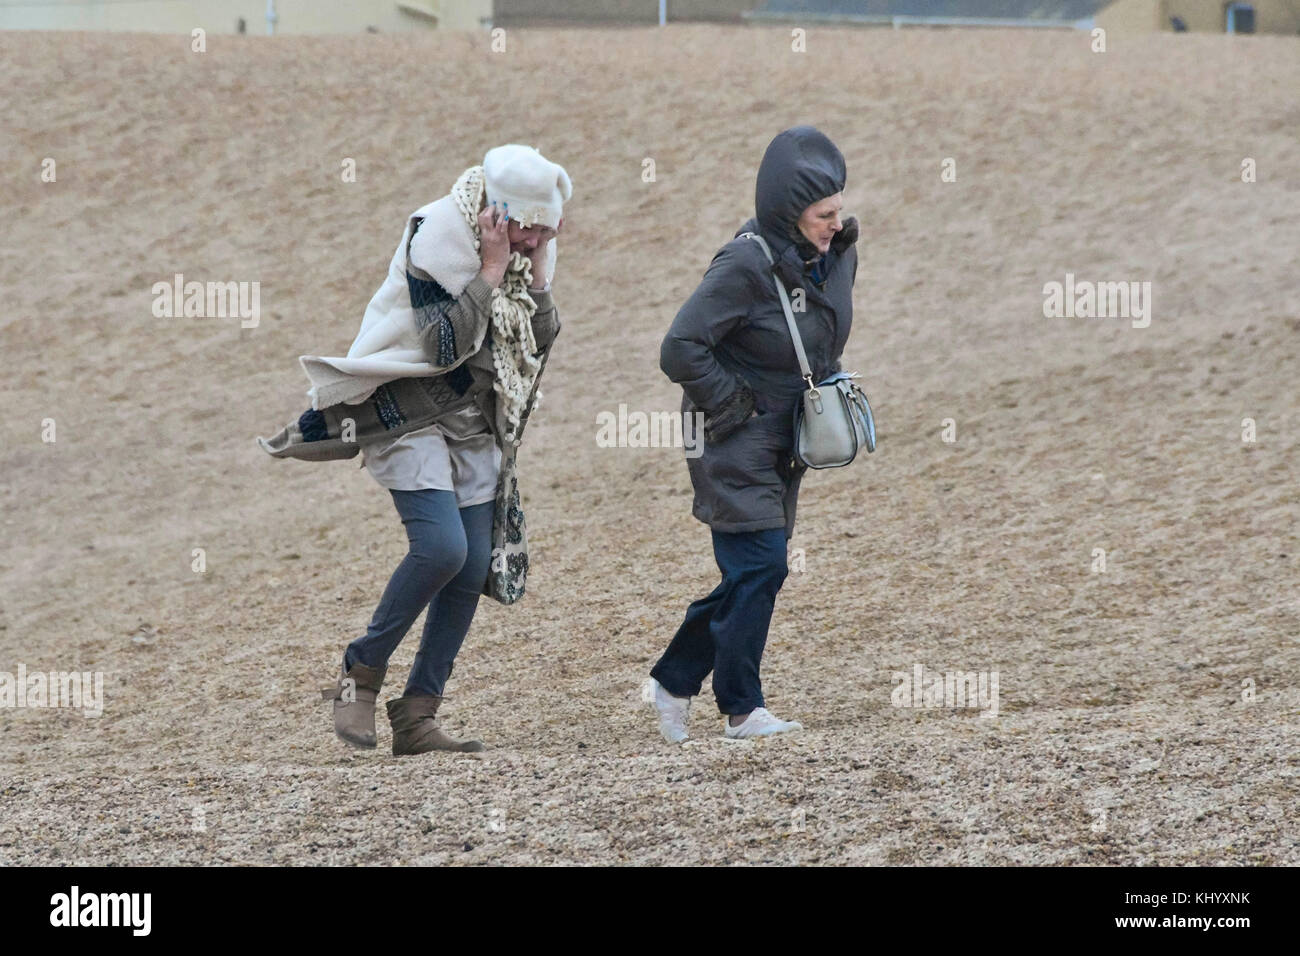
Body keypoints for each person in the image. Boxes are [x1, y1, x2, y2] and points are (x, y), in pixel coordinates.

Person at [261, 144, 570, 754]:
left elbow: (539, 344)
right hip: (408, 406)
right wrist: (488, 269)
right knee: (440, 548)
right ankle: (360, 673)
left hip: (474, 420)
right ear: (497, 214)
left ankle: (418, 714)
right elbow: (441, 345)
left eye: (546, 231)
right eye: (528, 231)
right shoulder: (437, 236)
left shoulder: (533, 243)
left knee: (472, 560)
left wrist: (533, 281)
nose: (536, 242)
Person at [649, 126, 859, 742]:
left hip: (788, 437)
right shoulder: (744, 263)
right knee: (764, 563)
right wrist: (735, 405)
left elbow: (819, 331)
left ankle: (672, 679)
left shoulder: (838, 254)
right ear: (788, 214)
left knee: (752, 572)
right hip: (728, 434)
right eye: (824, 215)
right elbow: (679, 348)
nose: (835, 223)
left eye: (838, 210)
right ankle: (742, 709)